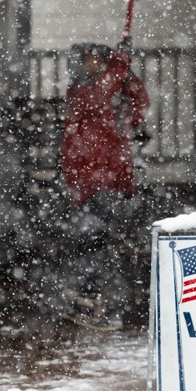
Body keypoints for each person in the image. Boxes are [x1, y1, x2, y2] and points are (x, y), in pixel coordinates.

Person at [59, 41, 150, 328]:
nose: (94, 65)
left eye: (99, 60)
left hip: (110, 178)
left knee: (98, 241)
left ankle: (92, 300)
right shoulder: (81, 90)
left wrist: (128, 75)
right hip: (89, 180)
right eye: (89, 60)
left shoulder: (114, 99)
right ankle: (90, 299)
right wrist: (119, 66)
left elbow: (140, 104)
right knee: (92, 240)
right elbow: (97, 96)